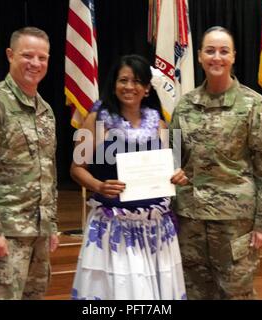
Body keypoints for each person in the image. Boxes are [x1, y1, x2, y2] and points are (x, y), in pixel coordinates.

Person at [169, 26, 262, 299]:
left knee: (236, 294)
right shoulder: (185, 105)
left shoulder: (252, 104)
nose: (216, 57)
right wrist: (174, 175)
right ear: (199, 56)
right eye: (210, 51)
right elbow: (171, 158)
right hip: (192, 221)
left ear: (233, 56)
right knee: (195, 294)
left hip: (235, 224)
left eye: (223, 51)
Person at [70, 54, 188, 300]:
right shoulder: (95, 119)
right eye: (123, 80)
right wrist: (98, 186)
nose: (129, 87)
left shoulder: (162, 124)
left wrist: (179, 176)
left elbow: (176, 168)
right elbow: (76, 168)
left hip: (155, 226)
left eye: (137, 81)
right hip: (113, 226)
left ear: (146, 88)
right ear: (114, 84)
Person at [0, 27, 59, 300]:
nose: (35, 64)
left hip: (38, 235)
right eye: (27, 55)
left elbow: (48, 172)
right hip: (3, 237)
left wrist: (51, 225)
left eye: (42, 57)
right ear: (10, 55)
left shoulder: (45, 110)